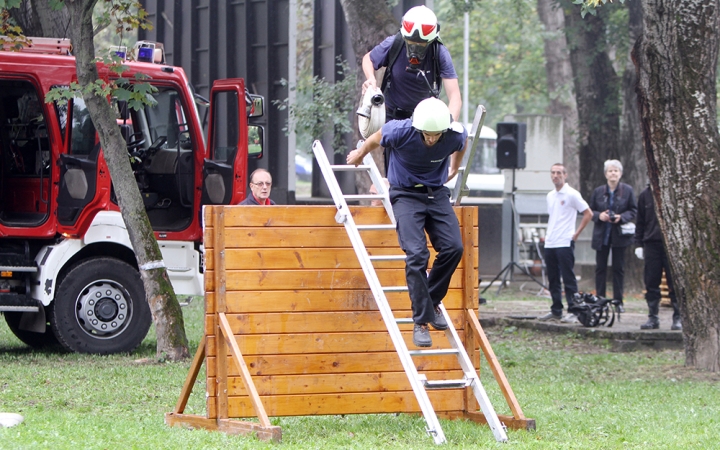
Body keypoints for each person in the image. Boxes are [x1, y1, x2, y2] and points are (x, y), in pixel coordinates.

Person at [346, 97, 467, 348]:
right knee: (417, 254)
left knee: (454, 247)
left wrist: (454, 168)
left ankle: (432, 301)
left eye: (436, 135)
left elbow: (462, 143)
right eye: (427, 134)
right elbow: (374, 138)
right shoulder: (400, 130)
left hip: (436, 193)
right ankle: (421, 321)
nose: (432, 139)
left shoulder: (453, 134)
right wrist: (358, 155)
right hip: (406, 195)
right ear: (417, 128)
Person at [362, 5, 461, 171]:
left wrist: (447, 125)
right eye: (411, 43)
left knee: (422, 167)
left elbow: (455, 96)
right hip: (393, 117)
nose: (415, 49)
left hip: (425, 121)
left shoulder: (439, 53)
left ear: (430, 41)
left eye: (421, 45)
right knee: (394, 169)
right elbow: (369, 58)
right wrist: (371, 79)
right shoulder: (394, 43)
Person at [538, 163, 592, 323]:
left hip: (565, 241)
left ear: (565, 175)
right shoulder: (550, 195)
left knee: (568, 277)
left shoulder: (572, 194)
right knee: (553, 278)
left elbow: (588, 213)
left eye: (559, 173)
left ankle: (574, 310)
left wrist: (575, 234)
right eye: (553, 172)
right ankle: (556, 309)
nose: (556, 175)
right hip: (551, 241)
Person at [588, 160, 637, 312]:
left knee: (618, 268)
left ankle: (618, 301)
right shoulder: (598, 192)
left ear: (620, 174)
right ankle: (600, 301)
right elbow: (589, 211)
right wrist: (599, 216)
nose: (613, 173)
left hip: (619, 236)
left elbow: (633, 210)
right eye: (610, 171)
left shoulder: (627, 191)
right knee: (600, 268)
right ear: (605, 174)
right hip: (602, 235)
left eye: (616, 171)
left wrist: (620, 217)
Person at [634, 184, 682, 330]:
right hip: (651, 243)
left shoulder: (674, 189)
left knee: (674, 282)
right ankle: (653, 317)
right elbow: (640, 221)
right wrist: (638, 244)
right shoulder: (645, 195)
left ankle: (678, 317)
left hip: (671, 244)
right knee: (651, 281)